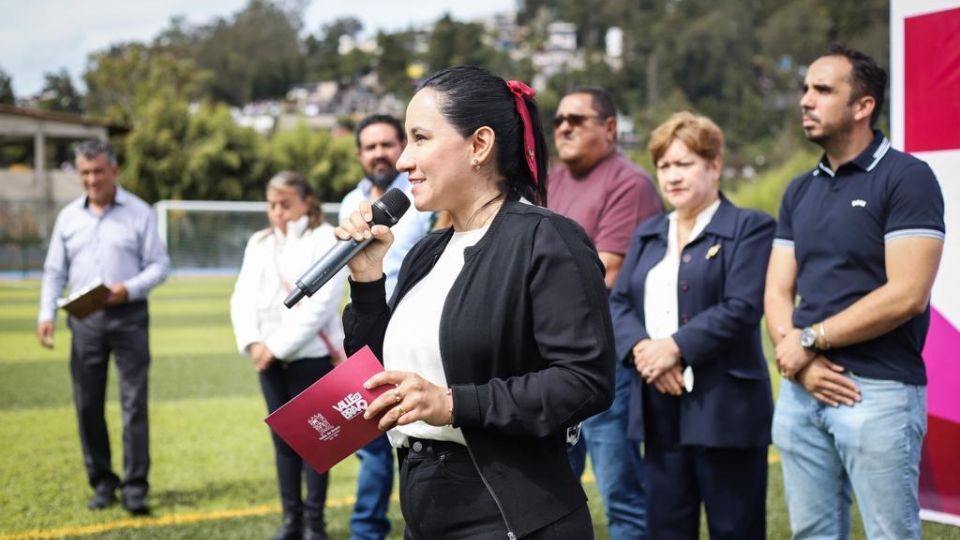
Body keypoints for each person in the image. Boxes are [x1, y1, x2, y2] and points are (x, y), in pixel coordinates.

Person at [338, 65, 615, 539]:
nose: (404, 160)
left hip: (510, 512)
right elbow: (377, 372)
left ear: (479, 145)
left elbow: (584, 381)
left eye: (420, 138)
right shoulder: (429, 250)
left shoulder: (547, 239)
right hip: (425, 504)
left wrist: (452, 403)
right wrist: (366, 283)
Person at [766, 44, 945, 539]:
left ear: (863, 106)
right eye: (805, 88)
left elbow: (908, 294)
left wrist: (807, 342)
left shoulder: (908, 178)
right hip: (803, 392)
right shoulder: (800, 189)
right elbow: (777, 290)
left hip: (879, 392)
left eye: (822, 90)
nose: (806, 100)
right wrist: (799, 358)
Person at [610, 112, 775, 539]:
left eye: (684, 164)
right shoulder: (649, 233)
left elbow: (741, 307)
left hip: (726, 407)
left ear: (714, 165)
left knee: (735, 528)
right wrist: (644, 353)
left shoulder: (750, 228)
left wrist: (674, 347)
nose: (671, 175)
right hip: (658, 407)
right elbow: (619, 303)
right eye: (664, 165)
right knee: (666, 528)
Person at [547, 86, 662, 539]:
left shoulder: (628, 183)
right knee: (551, 494)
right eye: (558, 120)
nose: (564, 127)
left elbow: (604, 276)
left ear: (610, 128)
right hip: (551, 362)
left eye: (576, 119)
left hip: (606, 363)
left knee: (622, 494)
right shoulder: (551, 182)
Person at [36, 140, 169, 515]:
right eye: (85, 173)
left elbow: (160, 265)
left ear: (114, 171)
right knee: (87, 404)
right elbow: (54, 272)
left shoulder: (139, 212)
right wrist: (45, 314)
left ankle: (135, 487)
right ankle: (102, 482)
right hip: (84, 321)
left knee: (133, 405)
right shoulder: (68, 218)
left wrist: (128, 288)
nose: (92, 180)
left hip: (129, 317)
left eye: (98, 171)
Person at [230, 171, 348, 540]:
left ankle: (315, 523)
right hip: (266, 358)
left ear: (306, 202)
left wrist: (276, 347)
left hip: (310, 356)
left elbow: (320, 304)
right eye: (272, 205)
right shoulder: (259, 242)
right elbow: (242, 296)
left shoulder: (324, 237)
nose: (278, 212)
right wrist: (252, 343)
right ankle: (291, 520)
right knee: (282, 442)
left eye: (286, 204)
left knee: (315, 441)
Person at [338, 114, 434, 540]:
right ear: (359, 154)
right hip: (370, 328)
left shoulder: (423, 199)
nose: (379, 153)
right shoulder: (348, 204)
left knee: (422, 439)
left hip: (421, 336)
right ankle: (367, 531)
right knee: (372, 446)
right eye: (370, 146)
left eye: (387, 144)